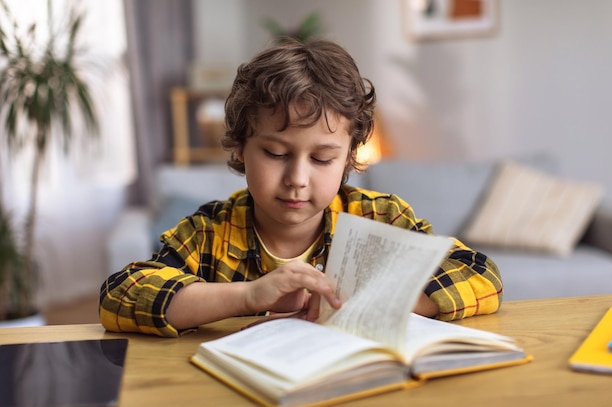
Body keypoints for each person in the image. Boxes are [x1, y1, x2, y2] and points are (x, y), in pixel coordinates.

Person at [99, 38, 502, 337]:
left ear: (348, 158)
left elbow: (480, 274)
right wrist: (249, 296)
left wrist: (380, 302)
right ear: (241, 147)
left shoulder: (381, 219)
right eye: (275, 153)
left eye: (322, 159)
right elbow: (119, 296)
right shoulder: (208, 234)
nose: (297, 178)